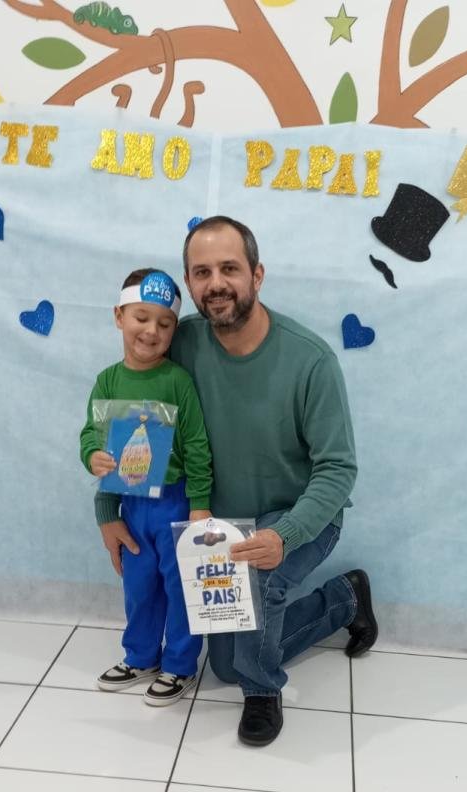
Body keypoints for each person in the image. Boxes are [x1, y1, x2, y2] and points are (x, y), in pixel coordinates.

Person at [98, 221, 377, 745]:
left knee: (256, 593)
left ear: (257, 275)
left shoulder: (311, 360)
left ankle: (262, 691)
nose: (216, 283)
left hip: (299, 516)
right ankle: (345, 599)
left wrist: (284, 535)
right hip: (218, 521)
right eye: (202, 272)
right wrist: (108, 509)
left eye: (229, 268)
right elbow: (132, 420)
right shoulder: (178, 341)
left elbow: (338, 469)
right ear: (188, 282)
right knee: (225, 663)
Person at [80, 267, 212, 705]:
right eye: (141, 317)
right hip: (131, 504)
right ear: (119, 316)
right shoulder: (107, 381)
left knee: (180, 587)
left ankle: (180, 665)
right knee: (138, 586)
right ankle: (140, 656)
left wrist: (199, 504)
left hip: (175, 503)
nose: (152, 331)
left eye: (165, 323)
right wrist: (92, 456)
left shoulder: (178, 381)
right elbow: (91, 433)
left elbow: (197, 445)